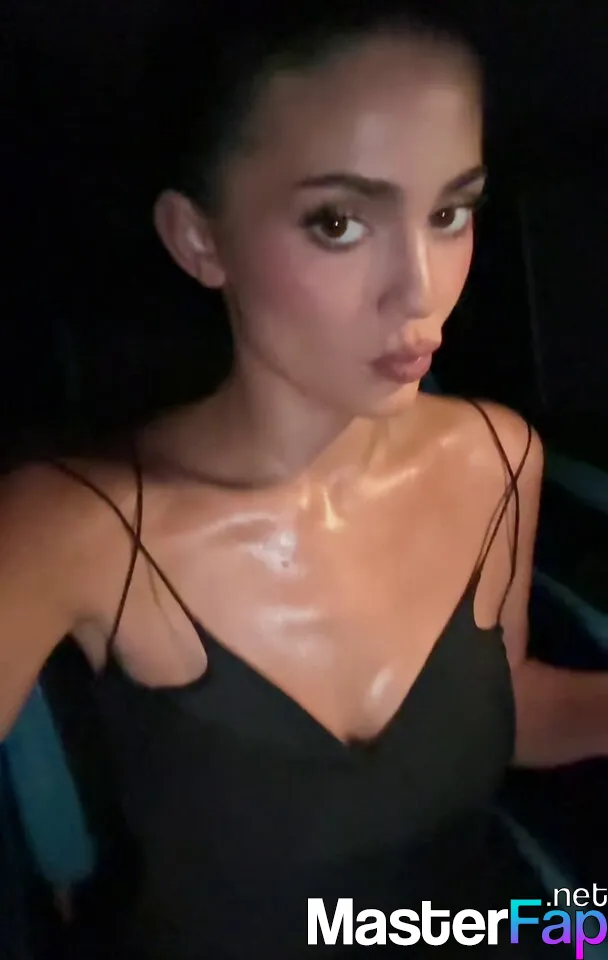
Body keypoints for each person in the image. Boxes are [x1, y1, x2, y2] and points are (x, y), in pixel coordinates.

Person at [2, 1, 608, 956]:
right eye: (339, 222)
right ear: (199, 241)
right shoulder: (74, 527)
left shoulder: (496, 457)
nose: (421, 289)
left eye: (450, 213)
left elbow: (504, 708)